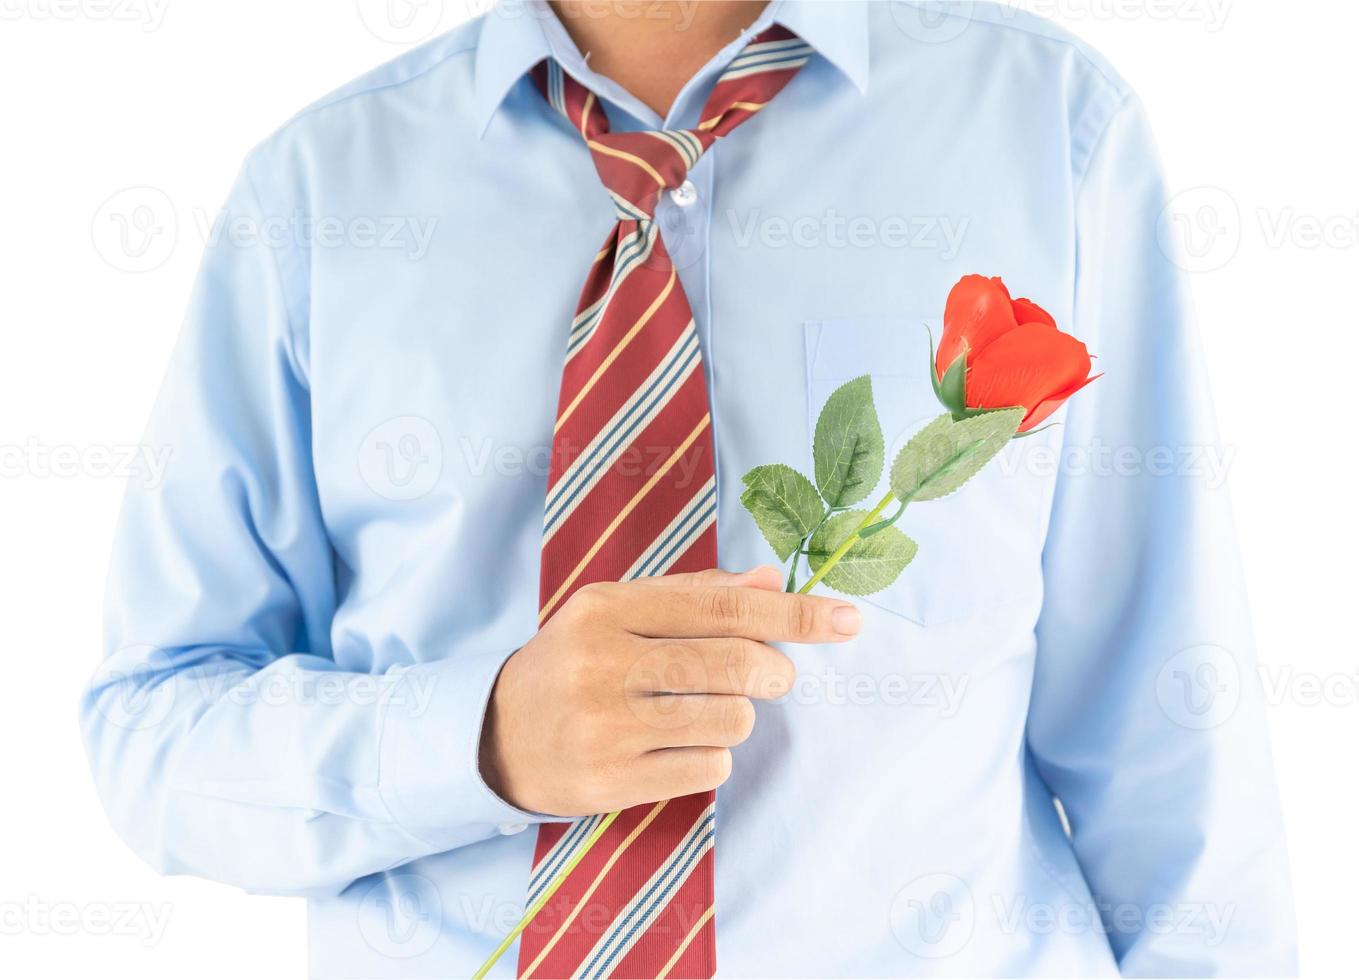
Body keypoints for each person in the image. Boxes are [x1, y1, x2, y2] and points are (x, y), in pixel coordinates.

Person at [81, 1, 1296, 976]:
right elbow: (151, 728)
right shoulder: (314, 196)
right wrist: (480, 739)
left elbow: (1173, 746)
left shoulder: (1049, 128)